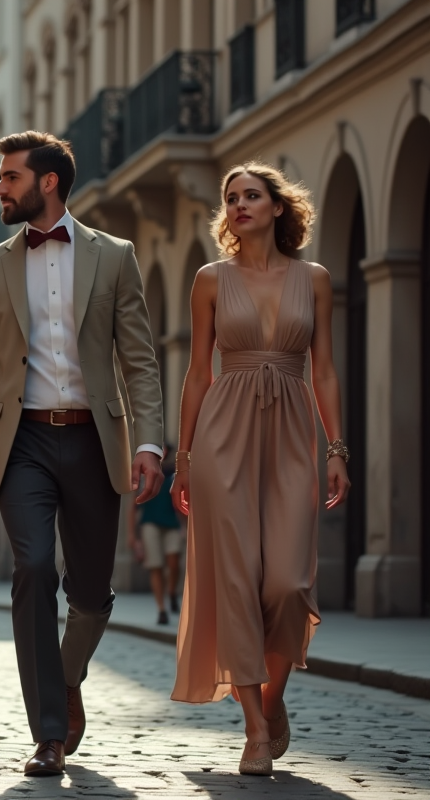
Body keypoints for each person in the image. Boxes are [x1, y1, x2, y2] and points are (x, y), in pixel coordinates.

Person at [0, 131, 164, 777]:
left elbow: (138, 358)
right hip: (22, 442)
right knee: (33, 568)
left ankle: (64, 678)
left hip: (95, 438)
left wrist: (150, 440)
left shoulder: (114, 255)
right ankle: (47, 730)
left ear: (47, 182)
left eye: (9, 177)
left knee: (93, 590)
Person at [171, 162, 347, 777]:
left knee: (289, 583)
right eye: (233, 197)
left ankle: (272, 701)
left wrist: (336, 449)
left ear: (278, 208)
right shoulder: (210, 279)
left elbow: (323, 369)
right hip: (223, 433)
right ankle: (252, 728)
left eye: (253, 195)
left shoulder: (315, 279)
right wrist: (183, 456)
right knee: (239, 580)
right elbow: (198, 372)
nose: (241, 204)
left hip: (295, 430)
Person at [127, 443, 184, 624]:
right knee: (156, 565)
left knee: (174, 563)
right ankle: (161, 609)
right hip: (150, 523)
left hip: (172, 524)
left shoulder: (173, 471)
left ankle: (173, 592)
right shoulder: (144, 471)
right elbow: (133, 507)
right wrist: (132, 536)